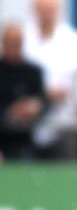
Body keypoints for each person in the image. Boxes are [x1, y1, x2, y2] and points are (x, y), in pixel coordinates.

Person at [22, 0, 77, 161]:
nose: (46, 13)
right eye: (42, 8)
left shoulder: (76, 41)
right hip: (26, 126)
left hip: (66, 124)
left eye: (50, 8)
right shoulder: (22, 39)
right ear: (34, 9)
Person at [0, 22, 47, 162]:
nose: (13, 46)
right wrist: (9, 111)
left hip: (25, 139)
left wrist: (34, 108)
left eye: (17, 42)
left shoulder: (33, 71)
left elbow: (43, 100)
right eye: (10, 42)